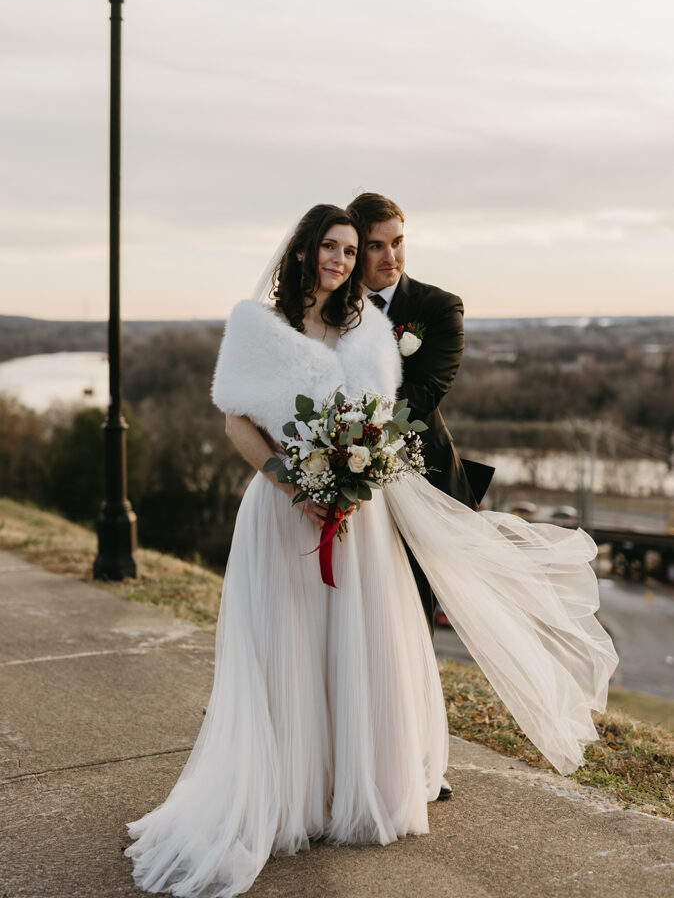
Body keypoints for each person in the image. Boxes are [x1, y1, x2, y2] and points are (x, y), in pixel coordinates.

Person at [125, 204, 618, 898]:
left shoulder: (368, 332)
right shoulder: (255, 326)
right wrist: (292, 482)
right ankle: (292, 796)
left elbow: (382, 424)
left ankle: (353, 791)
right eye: (331, 246)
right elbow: (237, 419)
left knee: (360, 650)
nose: (342, 261)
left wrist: (354, 483)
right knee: (289, 652)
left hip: (360, 518)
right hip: (282, 511)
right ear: (303, 250)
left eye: (352, 251)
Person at [346, 192, 494, 637]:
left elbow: (424, 392)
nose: (391, 256)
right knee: (351, 605)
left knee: (409, 610)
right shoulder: (332, 304)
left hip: (417, 474)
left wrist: (347, 428)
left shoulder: (439, 306)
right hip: (341, 472)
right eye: (376, 245)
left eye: (398, 242)